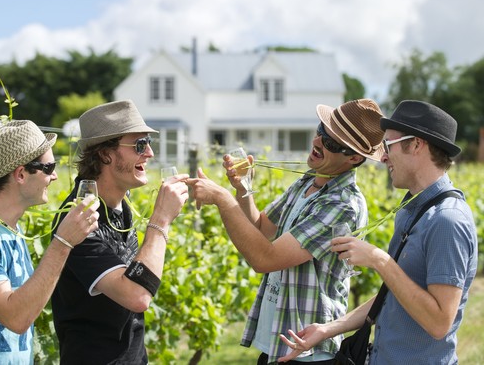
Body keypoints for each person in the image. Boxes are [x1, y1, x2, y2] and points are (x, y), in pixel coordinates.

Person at [187, 99, 385, 364]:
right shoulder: (306, 183)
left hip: (307, 350)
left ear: (354, 158)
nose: (318, 142)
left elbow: (265, 259)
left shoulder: (342, 205)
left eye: (331, 143)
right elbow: (260, 228)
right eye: (321, 131)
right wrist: (243, 189)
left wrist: (223, 200)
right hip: (279, 340)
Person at [279, 100, 478, 364]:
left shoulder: (447, 221)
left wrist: (379, 259)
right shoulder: (411, 209)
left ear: (416, 144)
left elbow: (439, 322)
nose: (383, 157)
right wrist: (329, 328)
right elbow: (396, 294)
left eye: (389, 145)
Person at [0, 120, 100, 364]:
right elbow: (17, 317)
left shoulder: (11, 230)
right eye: (49, 167)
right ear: (21, 174)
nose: (54, 176)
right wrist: (63, 242)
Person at [51, 100, 189, 364]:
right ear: (105, 154)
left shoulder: (120, 207)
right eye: (139, 145)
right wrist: (161, 219)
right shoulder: (78, 219)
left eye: (149, 143)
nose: (149, 153)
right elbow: (136, 297)